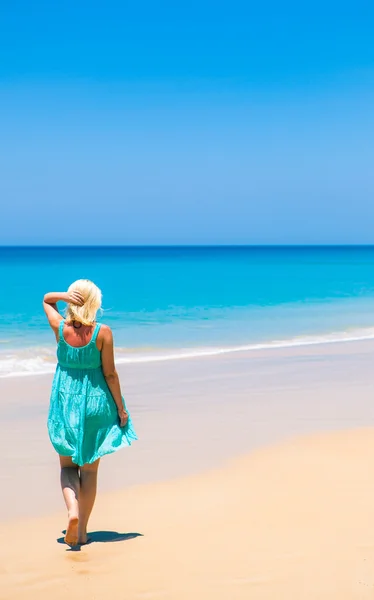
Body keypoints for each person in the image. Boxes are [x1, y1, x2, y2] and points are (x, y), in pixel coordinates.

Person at [43, 279, 137, 547]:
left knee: (67, 466)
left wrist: (64, 295)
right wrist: (120, 407)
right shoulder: (103, 332)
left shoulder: (60, 328)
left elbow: (46, 300)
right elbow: (110, 373)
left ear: (73, 301)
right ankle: (82, 529)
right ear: (95, 303)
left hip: (65, 403)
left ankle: (71, 510)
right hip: (96, 404)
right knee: (91, 472)